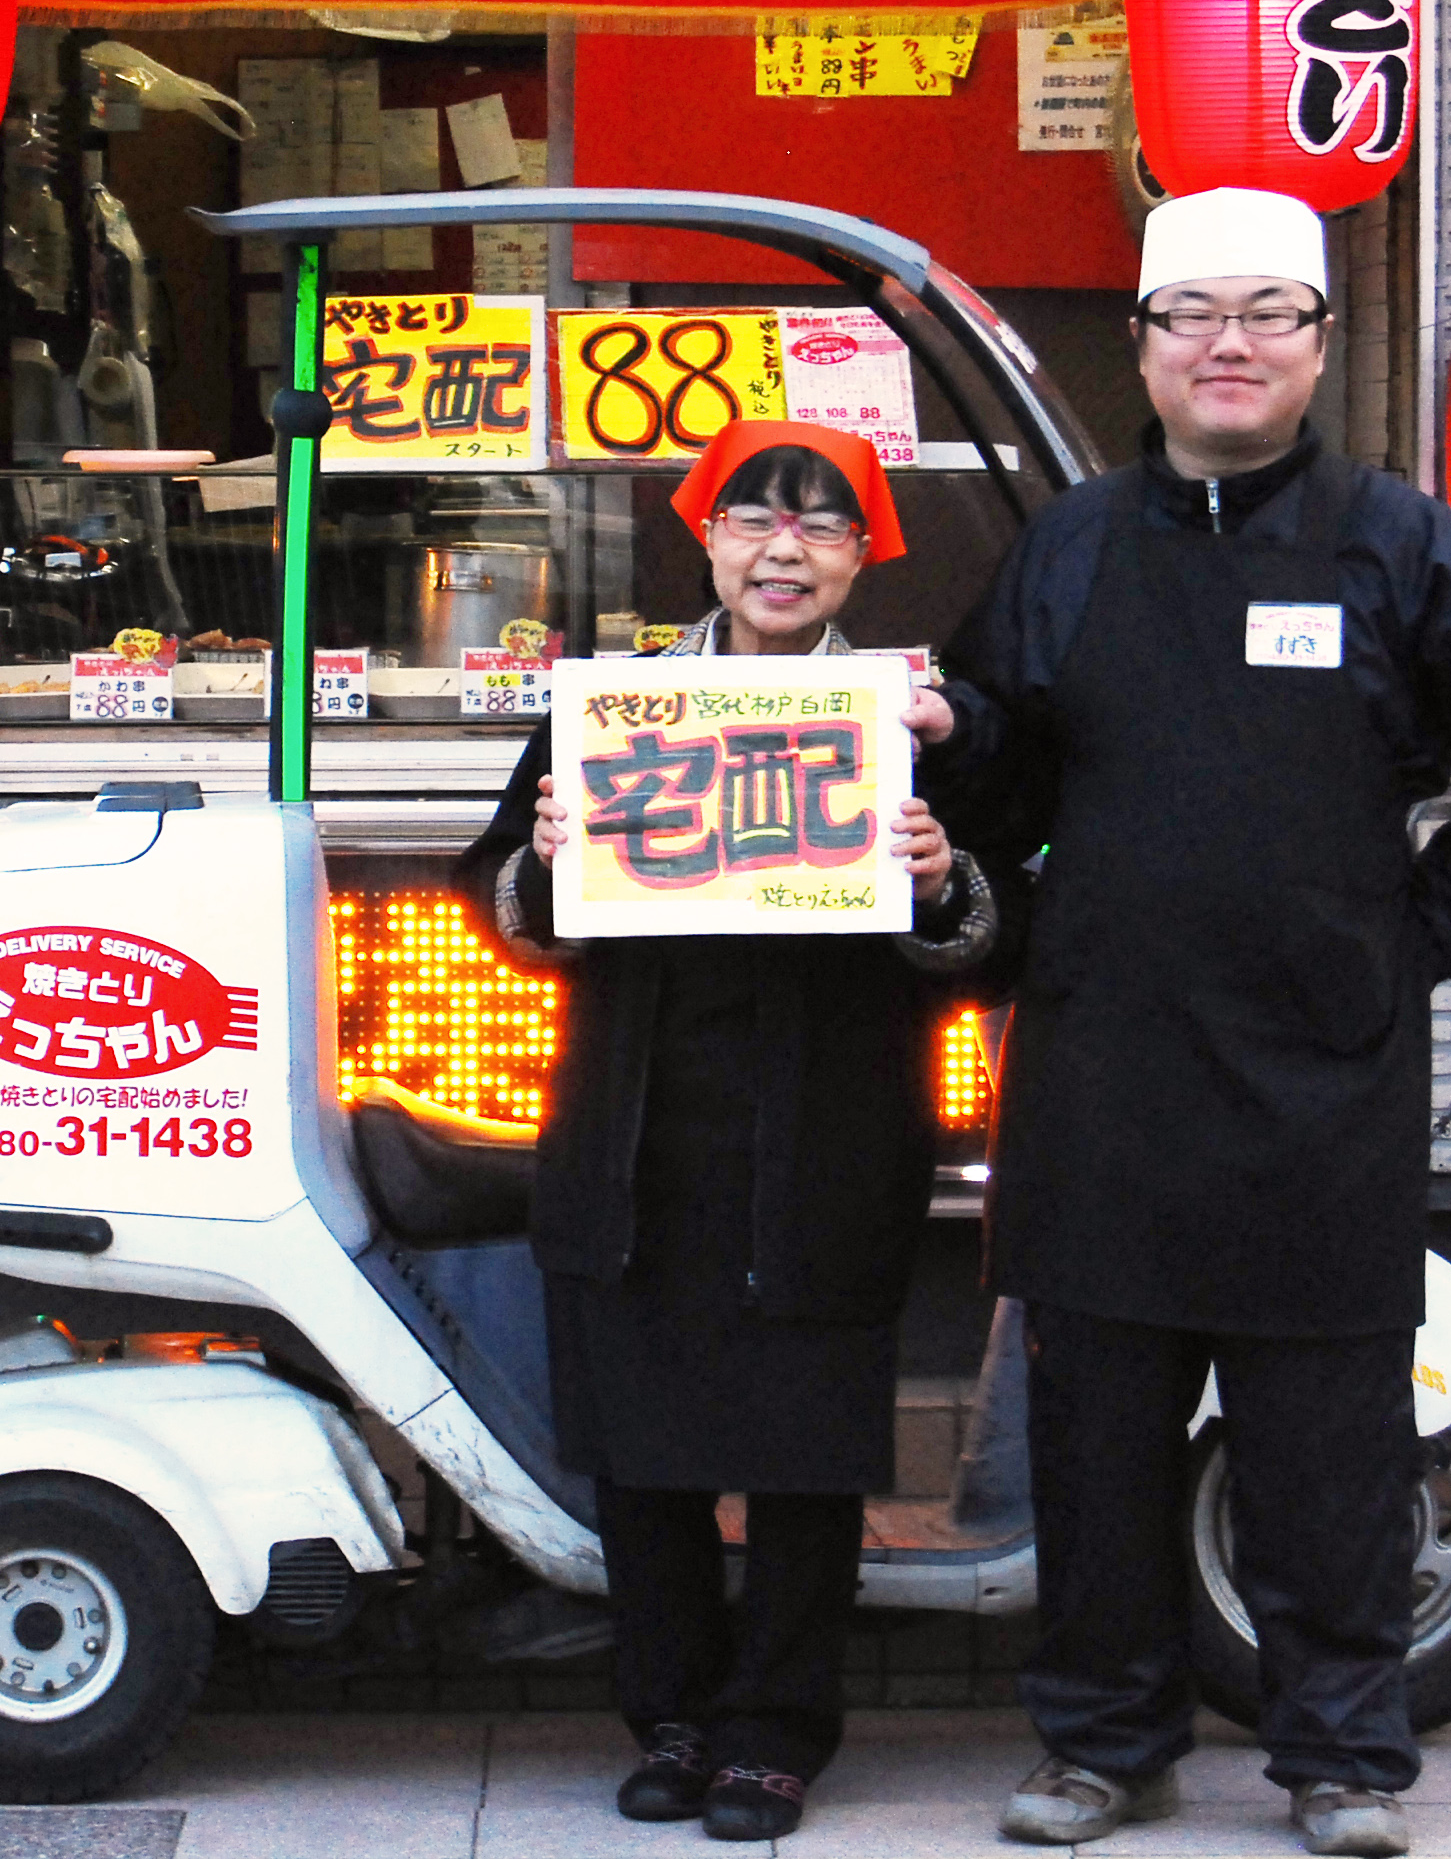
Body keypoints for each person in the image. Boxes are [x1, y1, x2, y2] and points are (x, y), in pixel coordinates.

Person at [942, 189, 1451, 1856]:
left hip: (1323, 1075)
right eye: (1190, 316)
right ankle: (1103, 1744)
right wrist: (950, 823)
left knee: (1324, 1433)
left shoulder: (1397, 541)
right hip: (1103, 1068)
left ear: (1317, 345)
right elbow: (981, 788)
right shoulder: (1073, 548)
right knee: (1095, 1433)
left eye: (1266, 314)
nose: (1226, 345)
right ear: (1144, 347)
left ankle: (1340, 1755)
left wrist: (1424, 930)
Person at [460, 419, 998, 1844]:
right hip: (640, 1141)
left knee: (809, 1455)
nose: (785, 548)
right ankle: (677, 1714)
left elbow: (992, 942)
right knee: (648, 1457)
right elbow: (500, 907)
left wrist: (942, 880)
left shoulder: (911, 725)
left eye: (823, 526)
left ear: (862, 557)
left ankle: (776, 1730)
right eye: (757, 517)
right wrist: (547, 861)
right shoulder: (620, 713)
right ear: (705, 537)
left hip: (825, 1141)